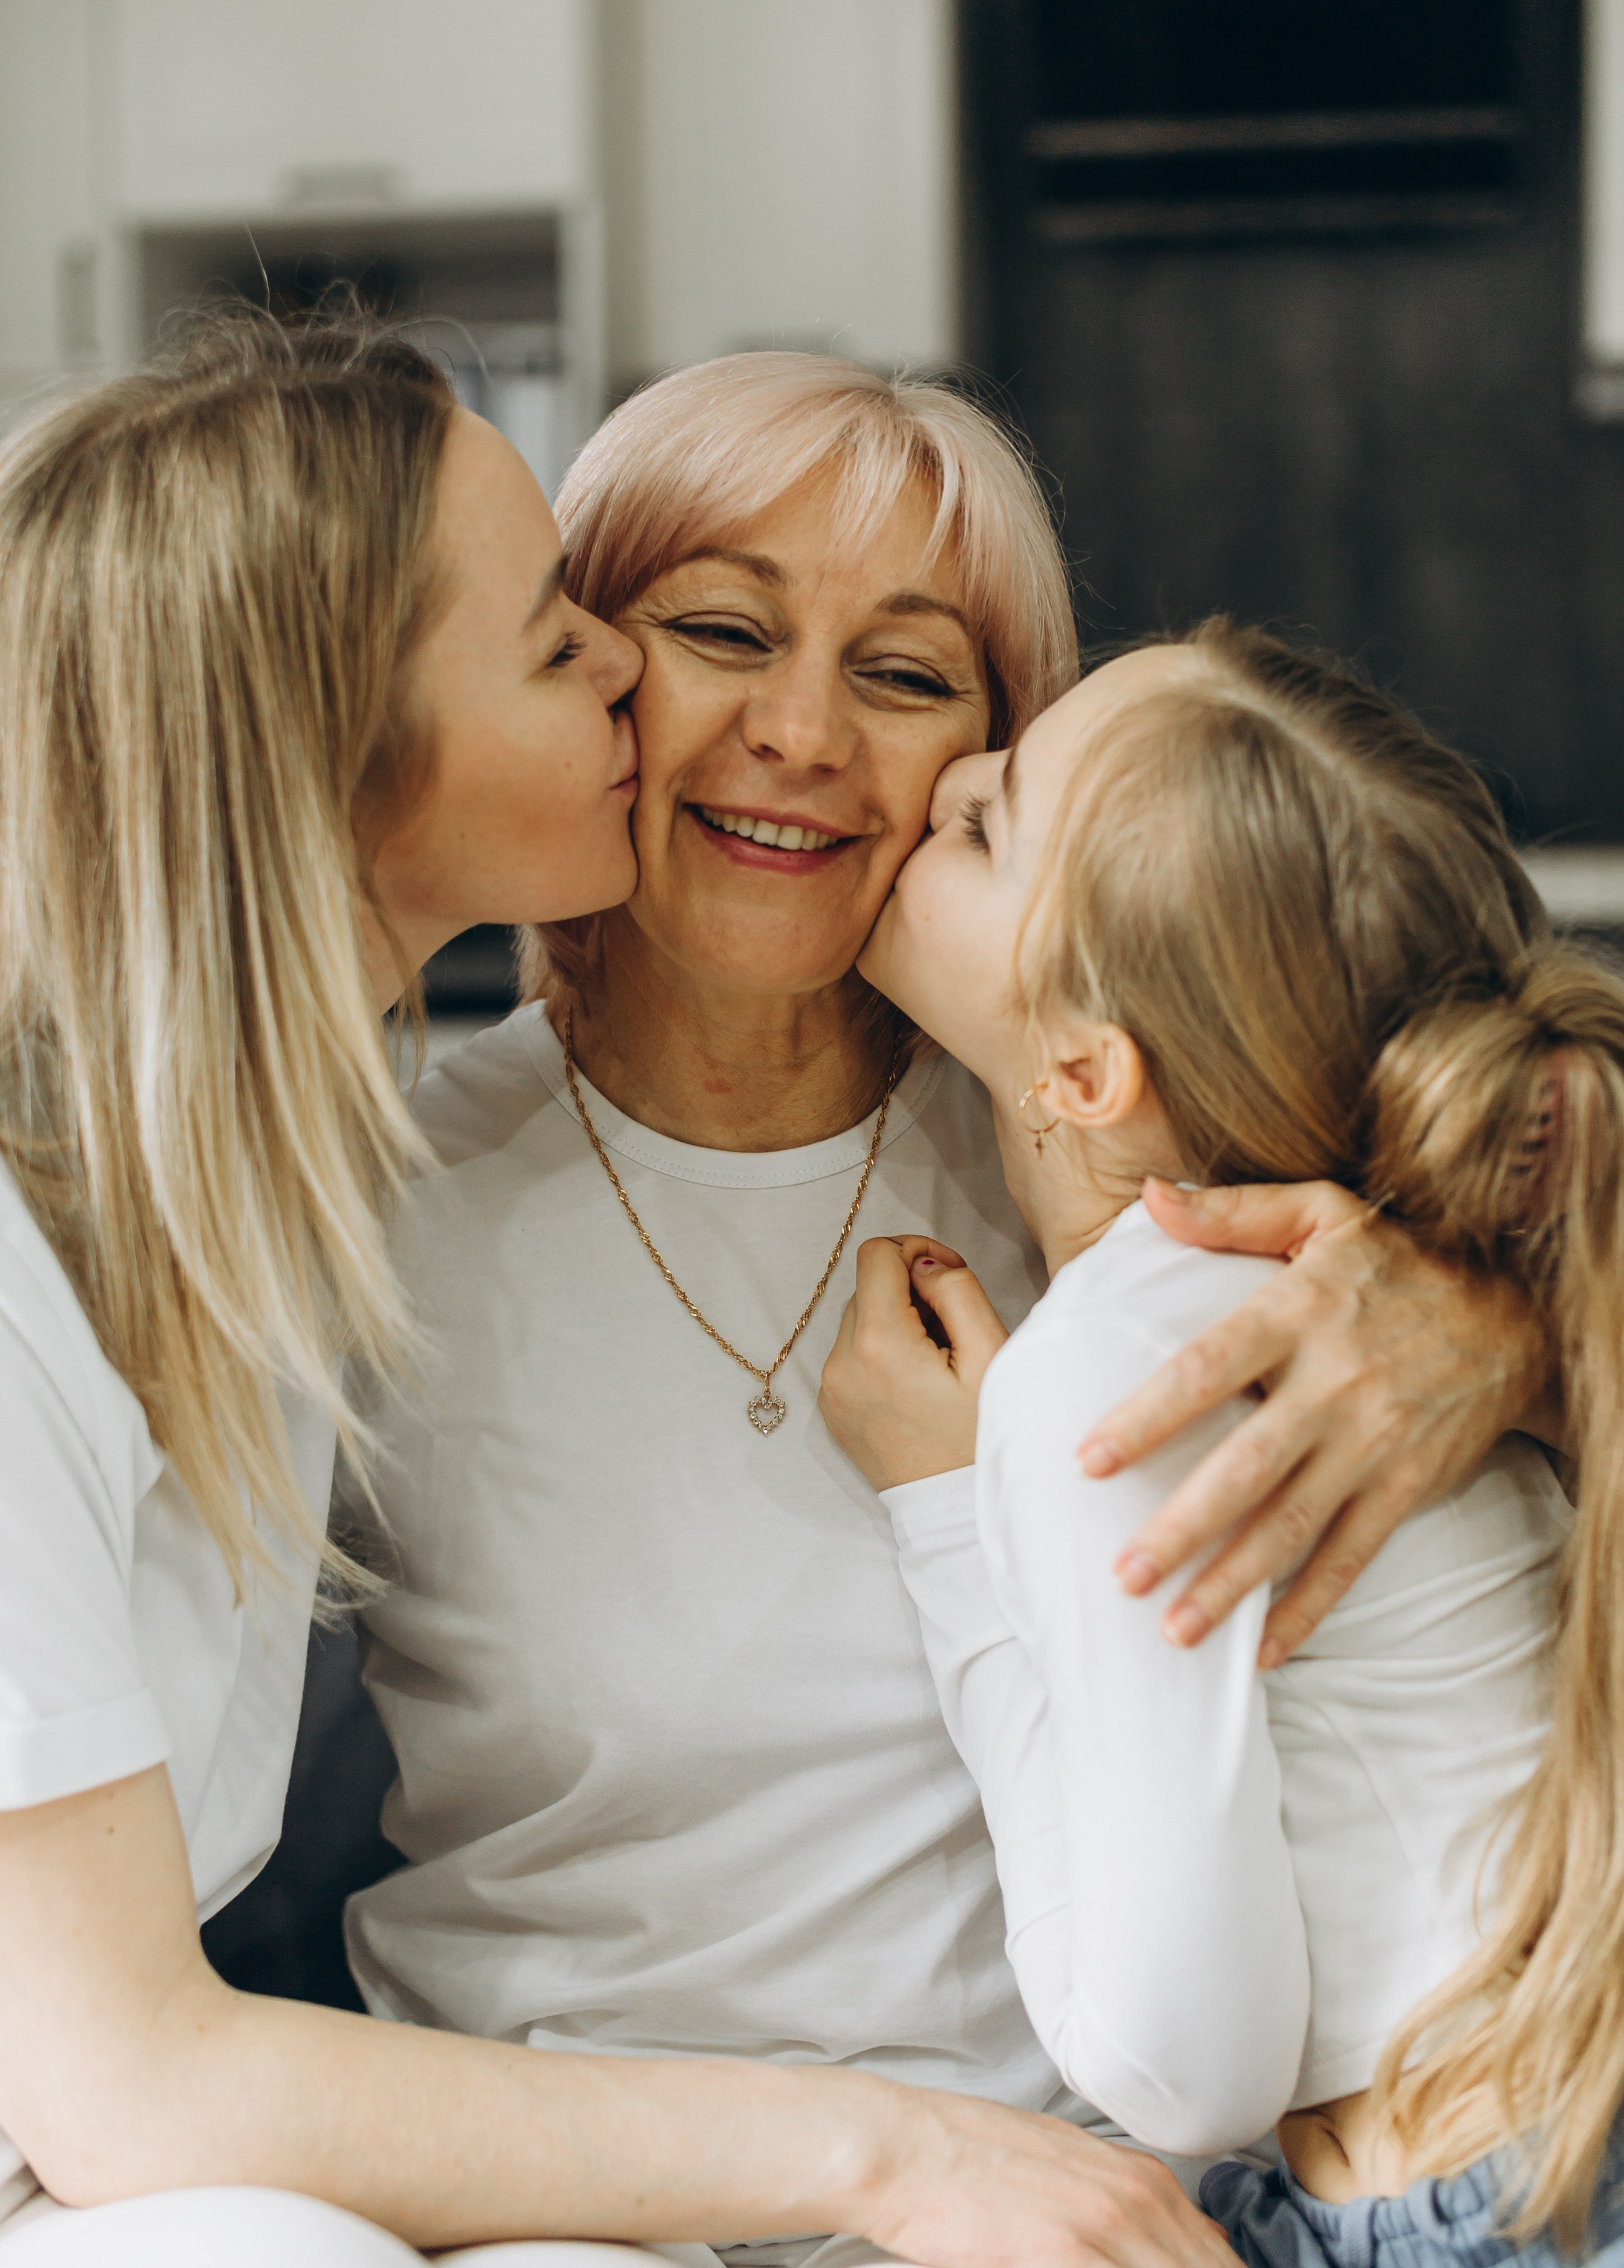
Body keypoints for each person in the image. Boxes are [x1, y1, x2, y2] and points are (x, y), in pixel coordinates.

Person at [0, 310, 1219, 2268]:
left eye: (906, 673)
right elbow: (124, 2064)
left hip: (1063, 2183)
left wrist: (1476, 1322)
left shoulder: (1111, 1153)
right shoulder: (313, 1207)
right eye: (648, 634)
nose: (793, 731)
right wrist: (887, 2160)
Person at [344, 357, 1554, 2268]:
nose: (804, 732)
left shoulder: (1152, 1169)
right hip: (570, 2216)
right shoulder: (363, 1209)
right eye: (724, 632)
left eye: (908, 677)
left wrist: (1522, 1331)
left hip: (1110, 2215)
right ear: (583, 672)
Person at [819, 617, 1624, 2265]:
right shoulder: (1482, 1248)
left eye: (988, 824)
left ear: (1085, 1068)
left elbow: (1182, 2068)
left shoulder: (1115, 1379)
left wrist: (950, 1515)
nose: (951, 776)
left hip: (1485, 2214)